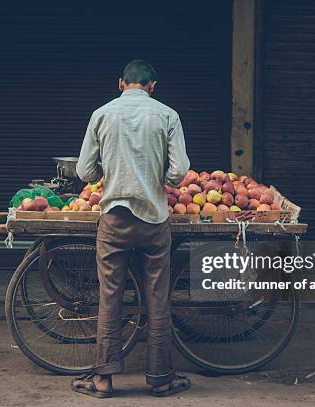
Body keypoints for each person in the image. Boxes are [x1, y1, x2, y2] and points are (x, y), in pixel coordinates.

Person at [72, 60, 191, 398]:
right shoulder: (167, 115)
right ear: (152, 86)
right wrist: (161, 180)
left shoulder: (102, 114)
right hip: (154, 219)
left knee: (110, 297)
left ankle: (103, 380)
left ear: (121, 83)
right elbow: (179, 170)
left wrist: (102, 175)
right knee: (158, 297)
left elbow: (84, 171)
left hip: (114, 219)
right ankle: (160, 379)